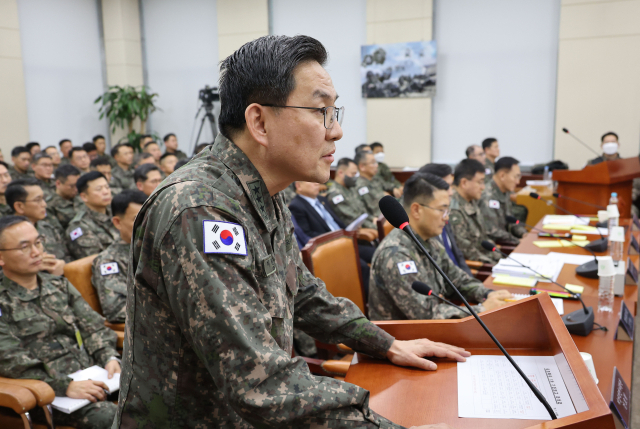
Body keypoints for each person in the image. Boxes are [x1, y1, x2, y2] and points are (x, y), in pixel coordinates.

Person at [113, 35, 466, 429]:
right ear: (259, 122)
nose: (336, 132)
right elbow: (260, 381)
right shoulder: (199, 211)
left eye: (336, 113)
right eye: (320, 111)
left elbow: (301, 294)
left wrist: (384, 343)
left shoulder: (264, 190)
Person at [0, 216, 119, 429]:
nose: (37, 252)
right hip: (46, 395)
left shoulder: (58, 285)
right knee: (118, 417)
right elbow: (11, 361)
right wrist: (64, 386)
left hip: (93, 376)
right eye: (24, 247)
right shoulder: (3, 301)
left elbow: (93, 327)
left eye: (38, 242)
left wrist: (108, 357)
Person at [369, 172, 510, 321]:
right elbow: (425, 314)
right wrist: (482, 309)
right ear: (416, 210)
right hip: (404, 338)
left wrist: (487, 294)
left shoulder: (429, 241)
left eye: (447, 210)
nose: (447, 217)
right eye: (442, 210)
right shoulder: (396, 254)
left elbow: (458, 281)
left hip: (430, 333)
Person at [92, 190, 146, 324]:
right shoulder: (110, 261)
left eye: (149, 218)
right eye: (138, 219)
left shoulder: (161, 247)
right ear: (117, 223)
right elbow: (115, 309)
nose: (146, 224)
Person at [419, 163, 472, 275]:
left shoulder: (443, 213)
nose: (451, 192)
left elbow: (458, 256)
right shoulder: (422, 226)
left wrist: (473, 283)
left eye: (451, 186)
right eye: (446, 186)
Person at [6, 178, 70, 268]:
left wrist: (62, 265)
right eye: (37, 200)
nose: (44, 204)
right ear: (19, 206)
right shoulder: (6, 235)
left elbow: (66, 257)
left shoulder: (48, 228)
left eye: (43, 199)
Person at [449, 159, 501, 264]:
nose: (483, 187)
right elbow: (465, 251)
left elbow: (483, 239)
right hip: (477, 266)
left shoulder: (471, 200)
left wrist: (499, 257)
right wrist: (494, 263)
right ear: (464, 183)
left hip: (486, 259)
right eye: (480, 182)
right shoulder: (454, 209)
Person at [66, 171, 118, 260]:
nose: (106, 192)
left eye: (107, 187)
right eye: (99, 189)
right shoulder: (79, 226)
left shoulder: (116, 212)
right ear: (84, 197)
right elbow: (98, 260)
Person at [480, 156, 527, 245]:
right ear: (502, 175)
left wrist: (523, 233)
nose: (518, 182)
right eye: (515, 177)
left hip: (506, 240)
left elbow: (511, 221)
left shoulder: (505, 192)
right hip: (495, 246)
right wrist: (517, 241)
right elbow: (493, 231)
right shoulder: (488, 196)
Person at [326, 157, 378, 230]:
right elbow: (353, 218)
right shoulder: (335, 194)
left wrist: (373, 219)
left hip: (366, 224)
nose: (355, 177)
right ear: (341, 173)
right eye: (353, 174)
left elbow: (362, 212)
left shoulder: (350, 188)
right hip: (356, 231)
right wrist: (377, 227)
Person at [47, 165, 81, 230]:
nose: (76, 189)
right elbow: (56, 232)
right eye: (72, 186)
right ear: (58, 183)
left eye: (78, 185)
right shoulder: (50, 205)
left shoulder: (82, 196)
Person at [355, 150, 387, 219]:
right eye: (373, 163)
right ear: (362, 167)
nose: (376, 165)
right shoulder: (360, 185)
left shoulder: (374, 179)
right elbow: (374, 210)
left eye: (376, 162)